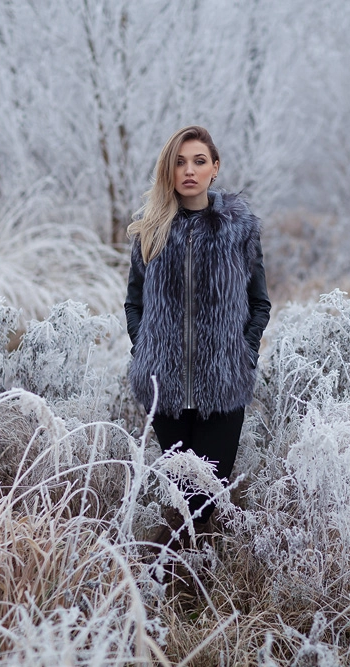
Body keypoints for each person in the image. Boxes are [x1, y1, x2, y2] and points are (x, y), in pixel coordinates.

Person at [124, 125, 271, 526]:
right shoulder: (149, 232)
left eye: (199, 161)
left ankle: (199, 573)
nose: (189, 170)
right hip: (165, 389)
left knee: (206, 499)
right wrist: (146, 352)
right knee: (181, 500)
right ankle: (177, 579)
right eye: (180, 162)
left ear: (215, 169)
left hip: (223, 387)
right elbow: (134, 303)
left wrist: (244, 354)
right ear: (168, 171)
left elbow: (259, 303)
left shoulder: (240, 231)